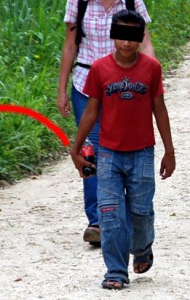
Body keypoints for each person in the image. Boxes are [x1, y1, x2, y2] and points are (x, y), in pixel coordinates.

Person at [70, 9, 176, 289]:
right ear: (112, 36)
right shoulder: (100, 69)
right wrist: (76, 148)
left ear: (141, 38)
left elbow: (159, 109)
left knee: (141, 213)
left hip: (142, 153)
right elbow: (91, 112)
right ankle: (116, 271)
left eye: (132, 37)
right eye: (121, 36)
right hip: (108, 154)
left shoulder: (151, 68)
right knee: (110, 214)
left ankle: (141, 248)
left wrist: (169, 151)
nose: (126, 43)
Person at [57, 0, 155, 246]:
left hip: (123, 85)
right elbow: (70, 45)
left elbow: (145, 43)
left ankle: (123, 214)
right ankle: (98, 221)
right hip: (85, 82)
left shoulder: (132, 2)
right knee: (93, 150)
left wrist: (151, 82)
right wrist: (61, 89)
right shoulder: (78, 3)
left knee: (121, 149)